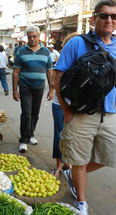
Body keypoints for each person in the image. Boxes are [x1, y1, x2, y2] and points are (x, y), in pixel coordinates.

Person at [54, 1, 116, 214]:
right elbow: (57, 77)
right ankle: (81, 201)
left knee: (109, 157)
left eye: (114, 16)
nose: (110, 20)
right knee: (79, 159)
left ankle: (73, 175)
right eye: (104, 15)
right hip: (80, 114)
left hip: (110, 113)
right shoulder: (77, 43)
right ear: (94, 19)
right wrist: (67, 111)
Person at [12, 25, 54, 153]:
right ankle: (23, 140)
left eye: (34, 36)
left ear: (39, 36)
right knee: (26, 113)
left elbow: (50, 72)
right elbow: (15, 73)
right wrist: (15, 90)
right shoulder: (21, 51)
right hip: (25, 87)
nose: (32, 39)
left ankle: (30, 135)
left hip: (39, 87)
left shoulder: (46, 52)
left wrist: (51, 90)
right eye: (29, 36)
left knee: (35, 113)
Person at [50, 32, 79, 178]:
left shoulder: (84, 61)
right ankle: (59, 165)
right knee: (59, 134)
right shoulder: (63, 60)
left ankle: (68, 163)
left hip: (76, 107)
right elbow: (55, 82)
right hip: (59, 105)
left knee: (73, 136)